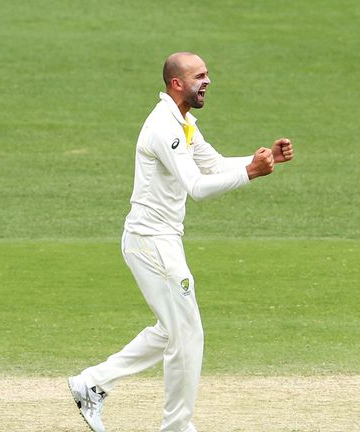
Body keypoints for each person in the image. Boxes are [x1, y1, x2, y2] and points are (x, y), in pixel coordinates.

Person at [68, 52, 293, 432]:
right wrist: (251, 174)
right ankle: (176, 427)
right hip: (152, 243)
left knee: (171, 330)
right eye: (199, 76)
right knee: (188, 334)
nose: (207, 81)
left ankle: (91, 384)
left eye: (207, 74)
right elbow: (198, 188)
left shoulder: (184, 121)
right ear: (177, 83)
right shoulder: (165, 128)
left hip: (158, 240)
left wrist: (263, 160)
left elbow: (214, 164)